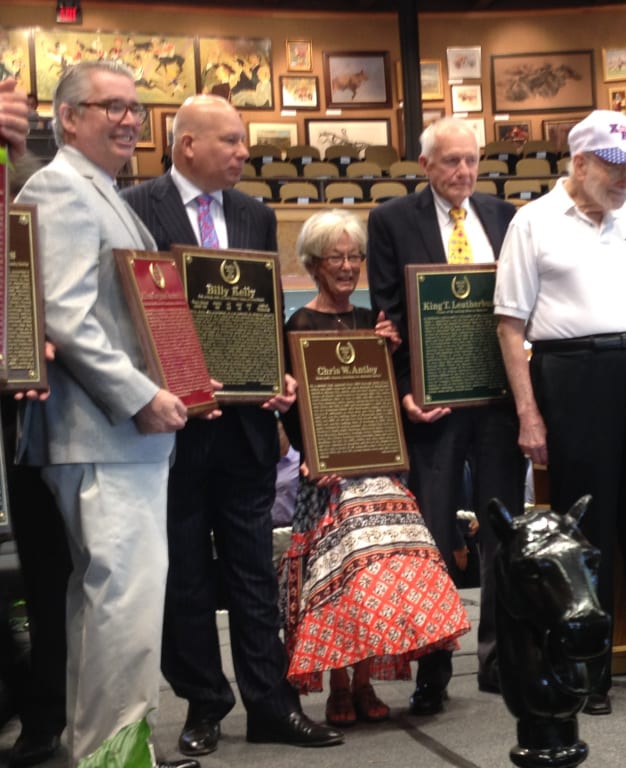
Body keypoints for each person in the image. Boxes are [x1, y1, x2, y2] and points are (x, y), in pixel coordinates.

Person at [122, 94, 344, 756]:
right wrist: (172, 385)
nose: (245, 152)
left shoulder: (254, 212)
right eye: (231, 141)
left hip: (247, 429)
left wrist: (276, 372)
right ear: (187, 144)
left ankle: (272, 706)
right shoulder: (138, 209)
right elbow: (133, 313)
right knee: (186, 577)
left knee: (254, 576)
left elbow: (260, 306)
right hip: (177, 427)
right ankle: (203, 704)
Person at [494, 109, 626, 715]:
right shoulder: (531, 222)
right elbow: (511, 328)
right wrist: (528, 414)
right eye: (614, 168)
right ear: (580, 162)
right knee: (587, 534)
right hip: (570, 375)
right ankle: (585, 675)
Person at [13, 60, 197, 767]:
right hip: (101, 433)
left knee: (113, 608)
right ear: (67, 117)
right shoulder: (60, 187)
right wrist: (140, 394)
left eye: (136, 109)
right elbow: (65, 314)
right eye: (110, 106)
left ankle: (113, 754)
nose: (128, 120)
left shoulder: (102, 191)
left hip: (123, 440)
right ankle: (114, 756)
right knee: (121, 607)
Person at [279, 209, 471, 727]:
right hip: (326, 479)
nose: (347, 267)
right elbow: (296, 409)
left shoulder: (374, 322)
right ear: (313, 265)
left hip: (378, 468)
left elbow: (386, 399)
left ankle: (365, 682)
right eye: (335, 257)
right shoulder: (296, 326)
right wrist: (310, 459)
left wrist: (392, 353)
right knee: (338, 582)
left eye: (354, 257)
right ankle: (340, 684)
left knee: (381, 574)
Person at [366, 117, 525, 714]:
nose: (463, 172)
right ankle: (432, 668)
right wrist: (407, 389)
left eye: (471, 160)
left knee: (501, 533)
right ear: (426, 165)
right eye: (451, 161)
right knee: (432, 537)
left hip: (497, 405)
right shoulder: (390, 220)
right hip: (432, 410)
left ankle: (498, 659)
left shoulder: (505, 216)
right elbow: (388, 317)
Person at [0, 78, 70, 768]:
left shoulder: (37, 183)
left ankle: (46, 715)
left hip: (28, 397)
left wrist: (34, 334)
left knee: (48, 562)